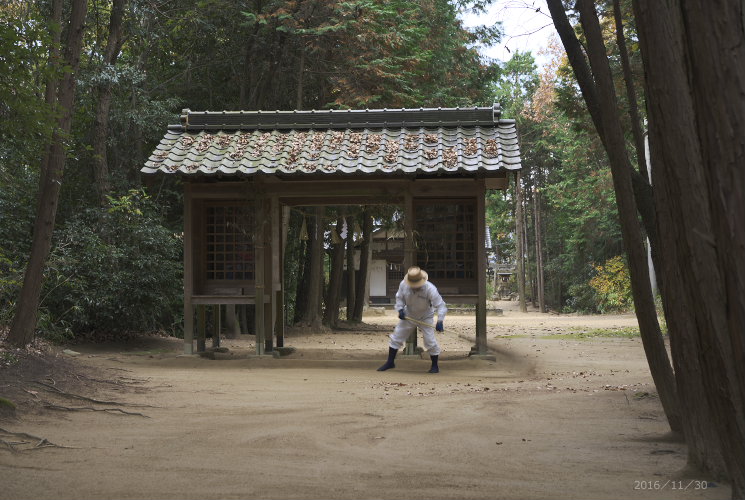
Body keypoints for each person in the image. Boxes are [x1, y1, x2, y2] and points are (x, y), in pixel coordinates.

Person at [377, 266, 447, 373]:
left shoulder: (430, 289)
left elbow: (441, 305)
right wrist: (400, 310)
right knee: (397, 336)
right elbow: (399, 298)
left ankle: (435, 366)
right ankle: (390, 362)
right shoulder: (403, 285)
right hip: (409, 314)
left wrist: (440, 321)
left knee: (430, 341)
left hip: (426, 316)